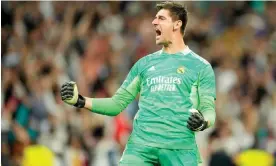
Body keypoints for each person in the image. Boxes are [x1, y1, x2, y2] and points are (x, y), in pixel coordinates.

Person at [61, 1, 216, 166]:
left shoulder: (200, 67)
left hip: (178, 148)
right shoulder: (143, 65)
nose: (154, 22)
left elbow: (208, 109)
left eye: (161, 19)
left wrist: (203, 121)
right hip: (141, 149)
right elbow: (116, 104)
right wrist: (80, 100)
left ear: (177, 25)